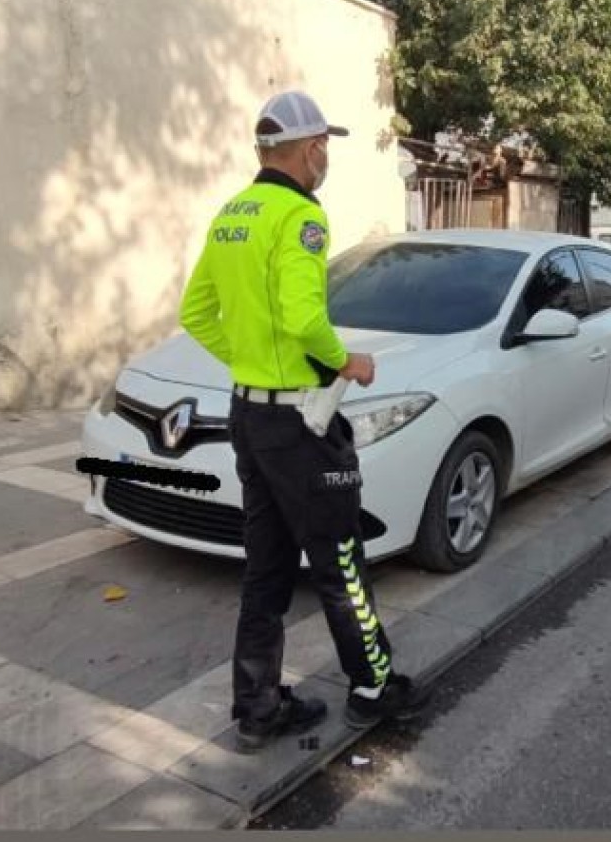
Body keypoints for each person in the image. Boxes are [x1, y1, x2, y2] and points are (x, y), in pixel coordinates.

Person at [178, 90, 430, 754]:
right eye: (322, 144)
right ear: (302, 147)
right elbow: (301, 318)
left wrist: (255, 365)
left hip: (250, 417)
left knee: (264, 567)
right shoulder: (300, 218)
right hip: (300, 426)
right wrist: (346, 361)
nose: (325, 155)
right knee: (341, 558)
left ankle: (258, 706)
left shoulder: (234, 215)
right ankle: (374, 688)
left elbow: (197, 314)